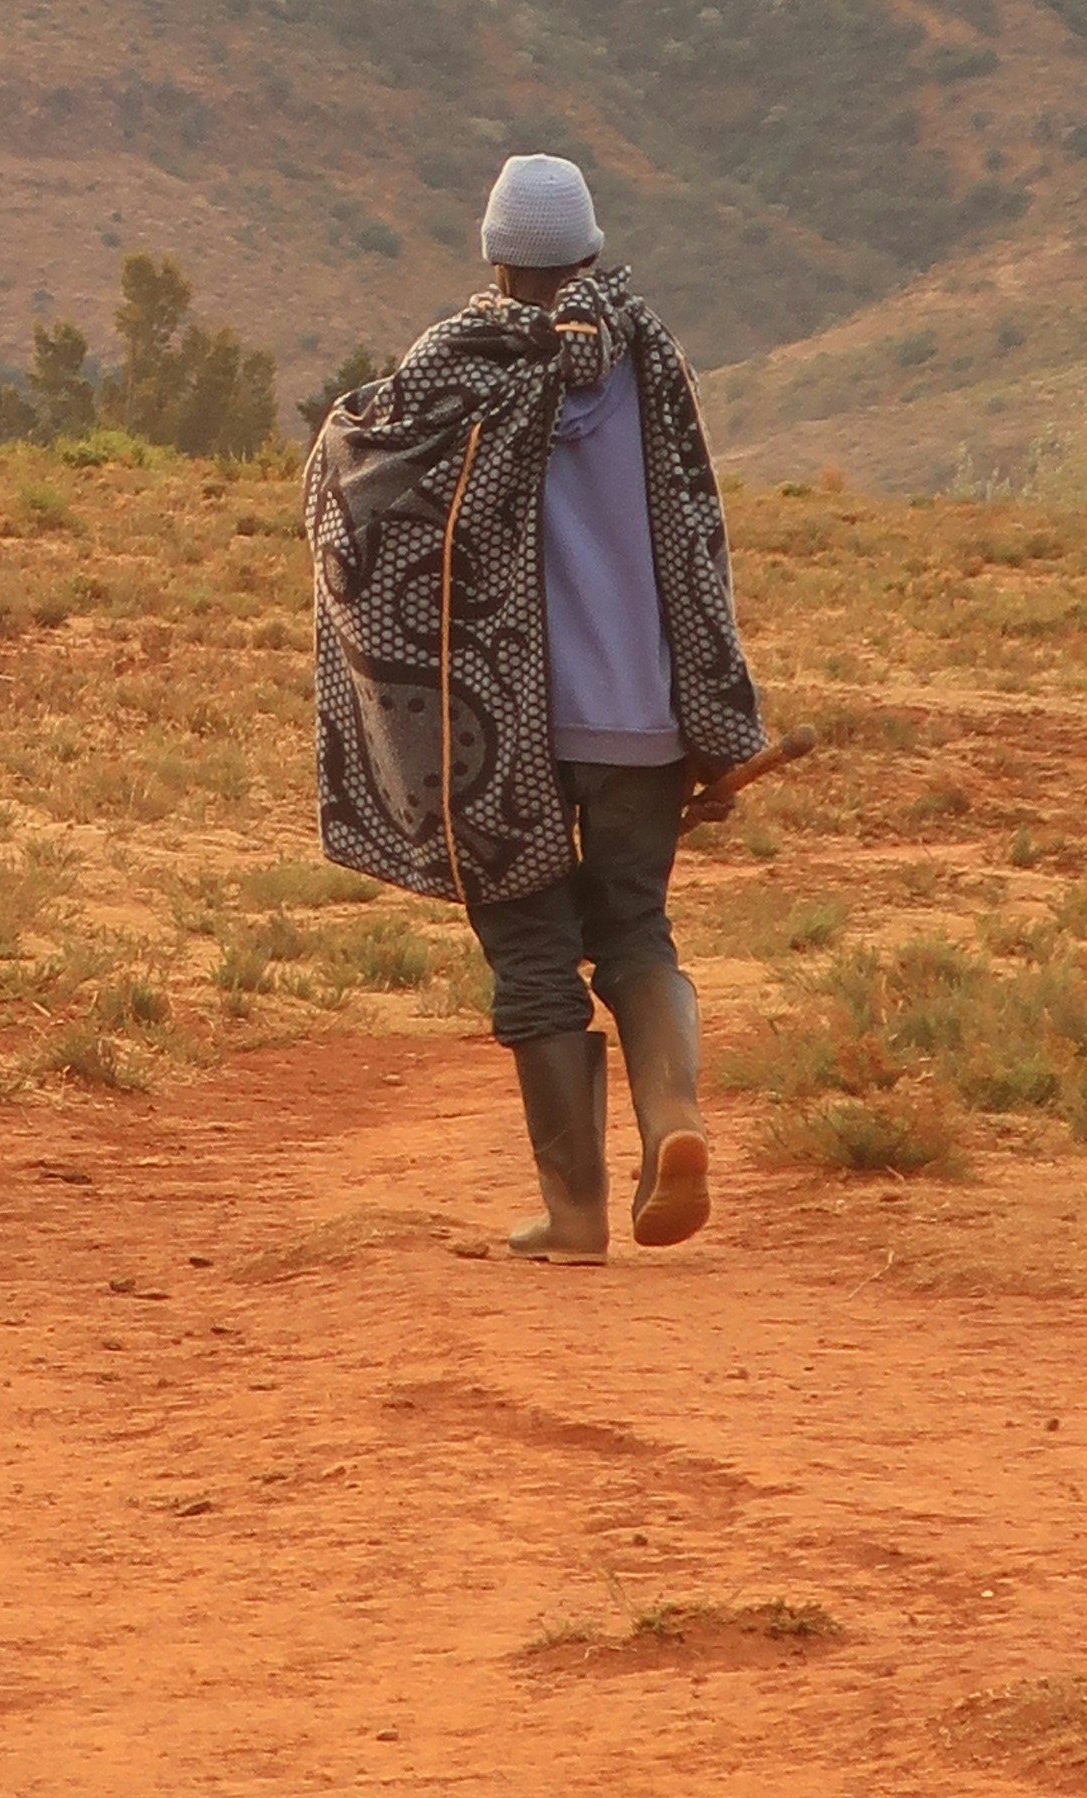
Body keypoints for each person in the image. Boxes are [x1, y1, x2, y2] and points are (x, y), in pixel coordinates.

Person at [301, 153, 767, 1263]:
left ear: (494, 259)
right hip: (643, 716)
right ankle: (675, 1115)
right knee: (636, 929)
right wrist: (718, 724)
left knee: (530, 948)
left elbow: (353, 483)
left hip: (501, 730)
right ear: (593, 253)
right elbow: (697, 536)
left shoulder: (455, 366)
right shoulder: (651, 358)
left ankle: (574, 1214)